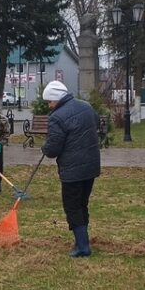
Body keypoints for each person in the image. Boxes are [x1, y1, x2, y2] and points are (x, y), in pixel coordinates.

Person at [40, 80, 101, 258]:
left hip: (72, 170)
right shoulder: (86, 106)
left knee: (72, 206)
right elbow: (95, 125)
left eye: (50, 102)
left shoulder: (57, 117)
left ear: (57, 99)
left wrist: (45, 148)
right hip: (91, 166)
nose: (49, 106)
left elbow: (53, 149)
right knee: (82, 203)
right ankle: (82, 240)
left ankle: (82, 246)